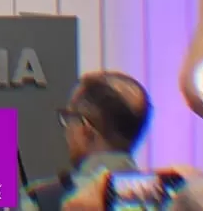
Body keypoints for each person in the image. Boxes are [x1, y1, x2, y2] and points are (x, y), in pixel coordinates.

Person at [18, 71, 151, 210]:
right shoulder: (161, 199)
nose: (66, 129)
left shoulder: (40, 200)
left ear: (85, 129)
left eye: (68, 117)